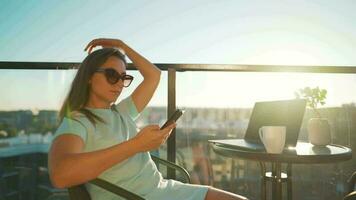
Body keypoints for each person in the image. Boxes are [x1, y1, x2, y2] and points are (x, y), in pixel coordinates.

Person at [48, 38, 248, 200]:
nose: (119, 83)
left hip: (163, 189)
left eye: (124, 77)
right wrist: (136, 145)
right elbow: (60, 174)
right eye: (111, 75)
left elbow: (153, 75)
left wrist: (121, 46)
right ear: (89, 76)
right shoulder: (77, 121)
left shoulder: (120, 111)